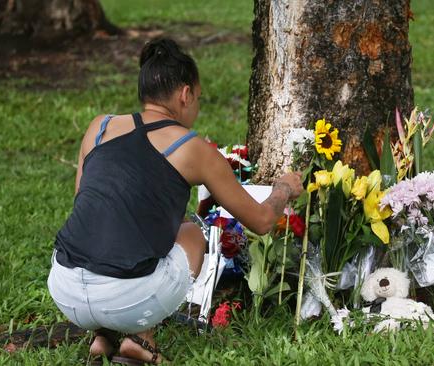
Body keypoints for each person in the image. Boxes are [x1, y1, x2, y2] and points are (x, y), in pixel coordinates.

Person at [47, 38, 303, 364]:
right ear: (185, 94)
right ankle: (139, 340)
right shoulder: (191, 147)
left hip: (64, 288)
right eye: (198, 98)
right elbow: (263, 221)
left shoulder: (100, 126)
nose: (196, 106)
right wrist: (282, 189)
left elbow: (87, 202)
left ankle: (102, 336)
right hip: (125, 301)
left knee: (114, 234)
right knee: (192, 234)